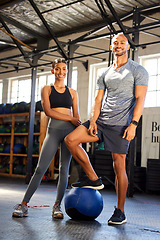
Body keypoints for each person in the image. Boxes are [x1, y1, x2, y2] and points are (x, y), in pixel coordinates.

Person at [65, 33, 148, 225]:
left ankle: (120, 211)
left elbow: (140, 99)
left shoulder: (138, 70)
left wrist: (134, 124)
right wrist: (93, 121)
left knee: (118, 165)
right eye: (115, 43)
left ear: (128, 46)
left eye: (122, 43)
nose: (118, 45)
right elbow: (98, 99)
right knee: (71, 140)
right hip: (101, 121)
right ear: (111, 47)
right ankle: (94, 178)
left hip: (121, 125)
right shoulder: (105, 72)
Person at [12, 58, 81, 219]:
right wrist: (70, 119)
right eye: (57, 69)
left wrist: (78, 131)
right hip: (53, 131)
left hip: (69, 133)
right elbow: (48, 111)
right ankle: (24, 204)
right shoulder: (46, 89)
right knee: (40, 169)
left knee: (64, 170)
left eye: (64, 69)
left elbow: (76, 116)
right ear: (52, 71)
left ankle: (57, 206)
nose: (61, 72)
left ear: (67, 71)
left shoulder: (73, 92)